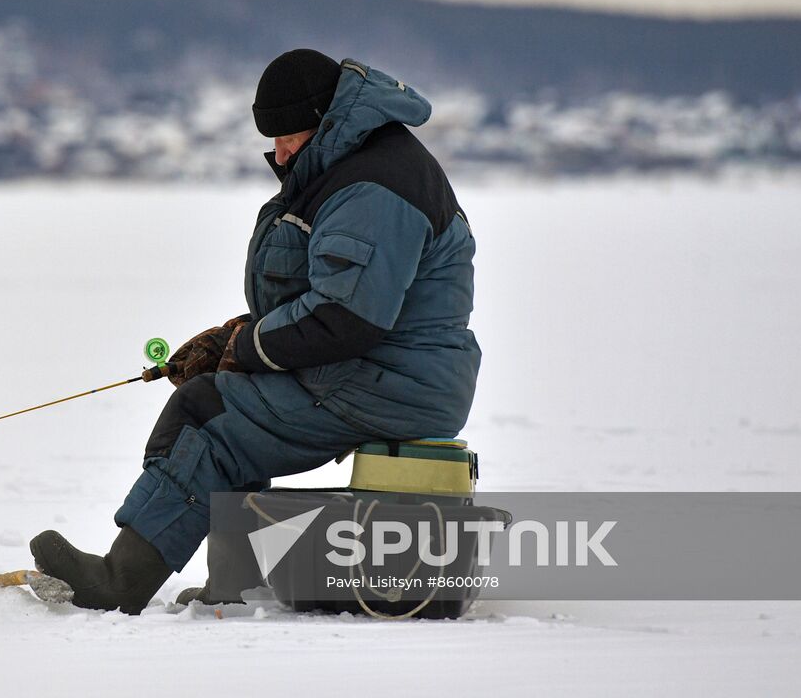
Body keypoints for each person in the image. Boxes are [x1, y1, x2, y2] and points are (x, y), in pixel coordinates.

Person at [30, 48, 481, 613]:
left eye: (290, 135)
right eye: (273, 139)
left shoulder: (374, 188)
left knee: (211, 418)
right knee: (219, 404)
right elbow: (327, 300)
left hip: (384, 383)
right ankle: (234, 586)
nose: (280, 151)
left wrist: (245, 348)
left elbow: (345, 320)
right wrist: (234, 339)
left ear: (327, 120)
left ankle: (122, 581)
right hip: (380, 374)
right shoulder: (356, 164)